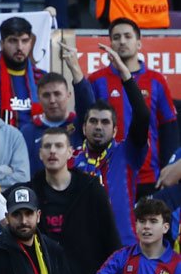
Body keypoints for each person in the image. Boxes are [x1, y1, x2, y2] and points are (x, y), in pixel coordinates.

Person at [30, 128, 123, 274]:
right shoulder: (30, 192)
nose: (52, 151)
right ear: (40, 154)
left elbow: (112, 242)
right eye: (47, 146)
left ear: (71, 152)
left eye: (59, 146)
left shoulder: (91, 190)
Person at [87, 17, 179, 192]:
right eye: (116, 37)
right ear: (110, 44)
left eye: (128, 36)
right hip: (109, 174)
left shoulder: (156, 80)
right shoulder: (96, 80)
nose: (122, 41)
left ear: (139, 43)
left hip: (149, 177)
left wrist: (169, 169)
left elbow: (169, 129)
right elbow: (87, 128)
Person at [74, 62, 150, 247]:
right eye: (93, 121)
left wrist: (126, 76)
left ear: (115, 130)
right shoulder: (71, 159)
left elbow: (142, 115)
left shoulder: (127, 152)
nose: (99, 126)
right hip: (83, 248)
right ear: (84, 128)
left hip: (123, 246)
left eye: (105, 122)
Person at [21, 68, 92, 176]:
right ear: (38, 98)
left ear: (68, 96)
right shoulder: (27, 132)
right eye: (46, 95)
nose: (52, 100)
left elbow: (88, 104)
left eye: (57, 94)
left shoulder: (82, 127)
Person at [0, 16, 46, 128]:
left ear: (31, 43)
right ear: (1, 43)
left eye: (24, 41)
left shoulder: (42, 78)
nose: (20, 47)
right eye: (13, 41)